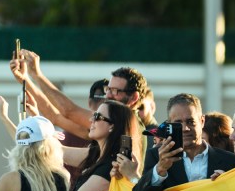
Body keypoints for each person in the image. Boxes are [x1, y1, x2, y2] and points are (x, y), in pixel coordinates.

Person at [10, 49, 149, 140]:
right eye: (109, 90)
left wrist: (37, 74)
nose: (108, 96)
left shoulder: (125, 122)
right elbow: (56, 118)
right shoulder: (105, 125)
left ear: (134, 98)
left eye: (115, 91)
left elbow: (68, 111)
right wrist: (25, 80)